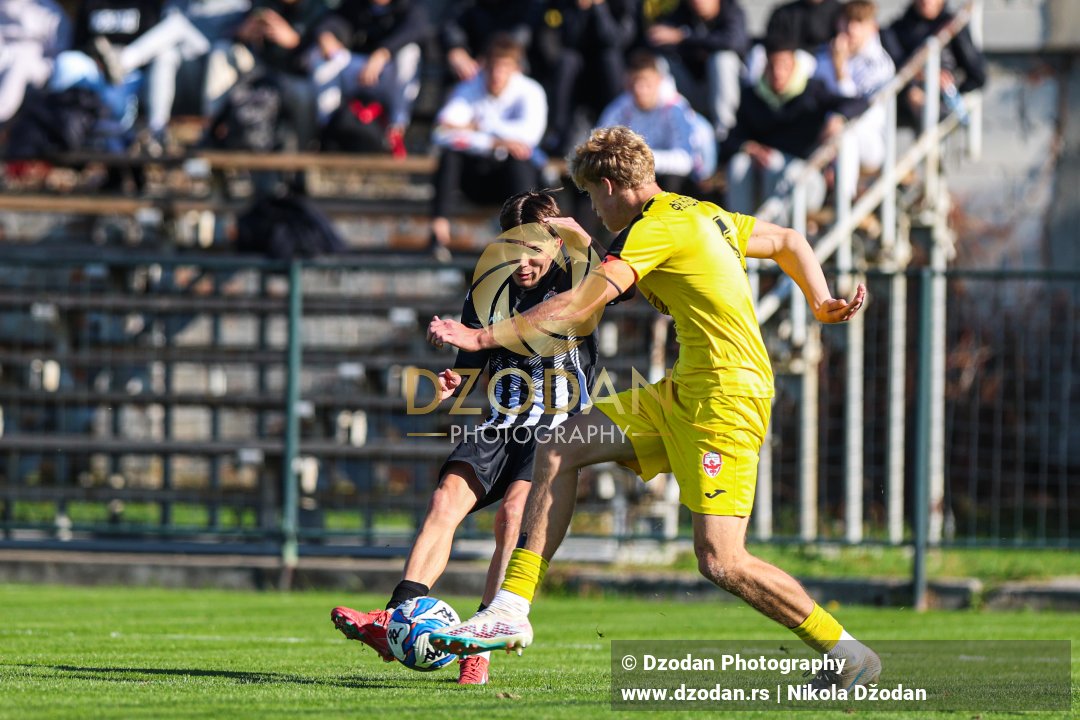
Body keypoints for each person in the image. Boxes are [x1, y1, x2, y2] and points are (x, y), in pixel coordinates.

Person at [424, 125, 880, 693]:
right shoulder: (700, 213)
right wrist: (819, 300)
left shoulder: (655, 228)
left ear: (612, 185)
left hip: (726, 399)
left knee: (722, 561)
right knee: (561, 441)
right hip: (687, 386)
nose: (591, 207)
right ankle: (511, 607)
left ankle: (847, 652)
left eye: (592, 196)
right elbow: (788, 240)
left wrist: (482, 339)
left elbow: (578, 304)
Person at [330, 190, 604, 686]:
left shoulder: (577, 278)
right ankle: (398, 616)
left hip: (559, 425)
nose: (521, 262)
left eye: (534, 250)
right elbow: (471, 364)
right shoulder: (491, 285)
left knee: (512, 517)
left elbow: (601, 266)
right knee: (444, 500)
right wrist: (451, 381)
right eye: (511, 247)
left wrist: (575, 231)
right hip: (501, 420)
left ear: (556, 243)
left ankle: (479, 645)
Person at [427, 35, 548, 262]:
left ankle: (525, 238)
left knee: (519, 160)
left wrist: (478, 125)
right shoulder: (470, 87)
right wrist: (494, 141)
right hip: (476, 178)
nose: (497, 75)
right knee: (449, 156)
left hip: (511, 179)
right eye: (492, 67)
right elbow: (441, 133)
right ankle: (438, 233)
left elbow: (529, 137)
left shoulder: (531, 91)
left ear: (516, 69)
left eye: (504, 68)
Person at [719, 34, 867, 216]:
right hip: (762, 175)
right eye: (773, 66)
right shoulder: (752, 96)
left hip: (807, 176)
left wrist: (838, 117)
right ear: (765, 66)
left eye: (784, 66)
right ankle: (737, 234)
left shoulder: (812, 90)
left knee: (780, 169)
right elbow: (729, 140)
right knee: (739, 164)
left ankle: (771, 238)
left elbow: (858, 102)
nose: (778, 73)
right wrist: (749, 147)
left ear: (794, 65)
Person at [309, 0, 429, 154]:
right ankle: (328, 126)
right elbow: (333, 20)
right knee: (319, 55)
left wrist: (384, 52)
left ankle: (397, 129)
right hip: (357, 67)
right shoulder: (357, 4)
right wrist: (326, 34)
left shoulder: (406, 5)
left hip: (388, 71)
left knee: (410, 53)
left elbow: (418, 29)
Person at [597, 48, 715, 193]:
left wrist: (638, 159)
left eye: (646, 83)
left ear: (658, 80)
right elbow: (600, 145)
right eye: (634, 82)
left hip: (683, 176)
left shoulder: (676, 108)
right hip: (640, 172)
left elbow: (685, 160)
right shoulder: (620, 107)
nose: (639, 89)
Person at [640, 0, 748, 142]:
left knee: (722, 58)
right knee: (659, 62)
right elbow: (657, 40)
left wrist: (685, 37)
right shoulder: (683, 11)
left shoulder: (731, 10)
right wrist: (697, 47)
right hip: (691, 92)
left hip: (729, 95)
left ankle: (725, 135)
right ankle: (664, 131)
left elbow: (734, 42)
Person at [813, 0, 895, 173]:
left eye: (859, 22)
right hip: (822, 135)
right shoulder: (823, 55)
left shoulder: (880, 65)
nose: (851, 29)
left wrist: (839, 69)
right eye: (847, 21)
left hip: (871, 142)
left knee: (844, 134)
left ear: (873, 28)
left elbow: (856, 107)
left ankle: (844, 199)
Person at [881, 0, 985, 130]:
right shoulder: (895, 30)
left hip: (945, 103)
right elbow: (895, 69)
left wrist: (949, 89)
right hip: (904, 102)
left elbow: (977, 75)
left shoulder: (953, 26)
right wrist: (925, 78)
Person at [0, 0, 71, 126]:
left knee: (19, 63)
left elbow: (60, 58)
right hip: (3, 59)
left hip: (33, 68)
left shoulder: (49, 11)